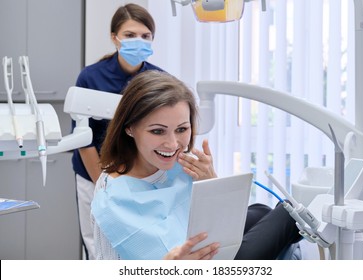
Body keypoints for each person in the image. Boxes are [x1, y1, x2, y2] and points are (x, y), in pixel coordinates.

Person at [91, 70, 302, 260]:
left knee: (261, 211)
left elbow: (219, 218)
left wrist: (211, 182)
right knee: (289, 213)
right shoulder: (111, 196)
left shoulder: (183, 166)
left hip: (205, 249)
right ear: (129, 129)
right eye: (157, 131)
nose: (173, 144)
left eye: (182, 129)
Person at [71, 3, 164, 260]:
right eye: (130, 35)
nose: (139, 41)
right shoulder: (90, 78)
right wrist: (103, 183)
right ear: (114, 38)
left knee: (136, 248)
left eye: (145, 36)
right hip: (94, 174)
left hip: (138, 177)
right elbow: (84, 138)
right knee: (97, 245)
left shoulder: (158, 80)